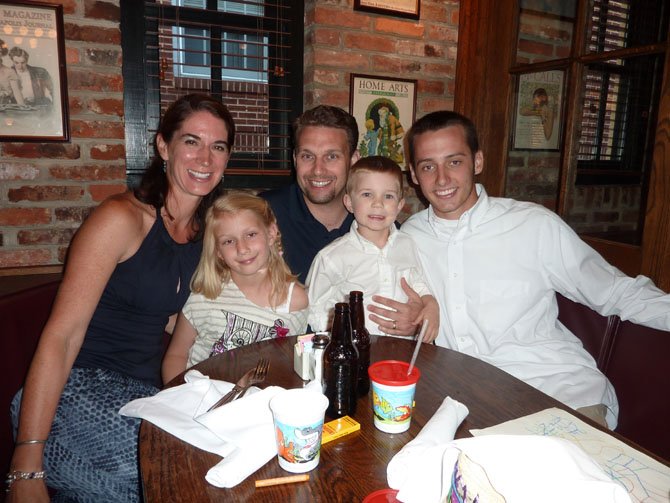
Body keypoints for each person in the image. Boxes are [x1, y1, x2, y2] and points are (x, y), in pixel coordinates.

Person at [7, 93, 234, 502]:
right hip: (71, 393)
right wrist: (26, 463)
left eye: (217, 146)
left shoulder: (204, 235)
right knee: (174, 474)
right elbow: (62, 338)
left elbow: (174, 319)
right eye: (191, 141)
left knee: (223, 454)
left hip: (142, 396)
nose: (205, 157)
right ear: (163, 146)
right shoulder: (121, 219)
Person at [395, 109, 670, 429]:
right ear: (414, 174)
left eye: (454, 161)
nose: (442, 179)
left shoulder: (533, 225)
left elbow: (614, 292)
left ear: (477, 162)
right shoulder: (408, 239)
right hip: (468, 404)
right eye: (429, 166)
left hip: (560, 395)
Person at [162, 192, 308, 384]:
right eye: (228, 241)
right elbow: (177, 355)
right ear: (218, 252)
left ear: (271, 233)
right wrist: (176, 396)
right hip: (200, 398)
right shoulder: (204, 295)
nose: (242, 248)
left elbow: (296, 364)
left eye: (251, 234)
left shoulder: (295, 299)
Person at [306, 156, 438, 342]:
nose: (378, 204)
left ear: (400, 205)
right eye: (367, 194)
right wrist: (336, 331)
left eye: (388, 196)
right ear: (349, 202)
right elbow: (314, 306)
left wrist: (430, 304)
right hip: (357, 352)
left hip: (402, 351)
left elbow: (417, 282)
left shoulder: (407, 244)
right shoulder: (332, 257)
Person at [260, 105, 360, 284]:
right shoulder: (261, 215)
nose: (318, 170)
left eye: (331, 157)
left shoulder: (379, 223)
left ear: (353, 160)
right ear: (294, 159)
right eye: (307, 156)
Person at [0, 40, 24, 105]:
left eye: (0, 51)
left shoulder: (10, 71)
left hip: (5, 109)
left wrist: (23, 108)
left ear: (2, 53)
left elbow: (17, 93)